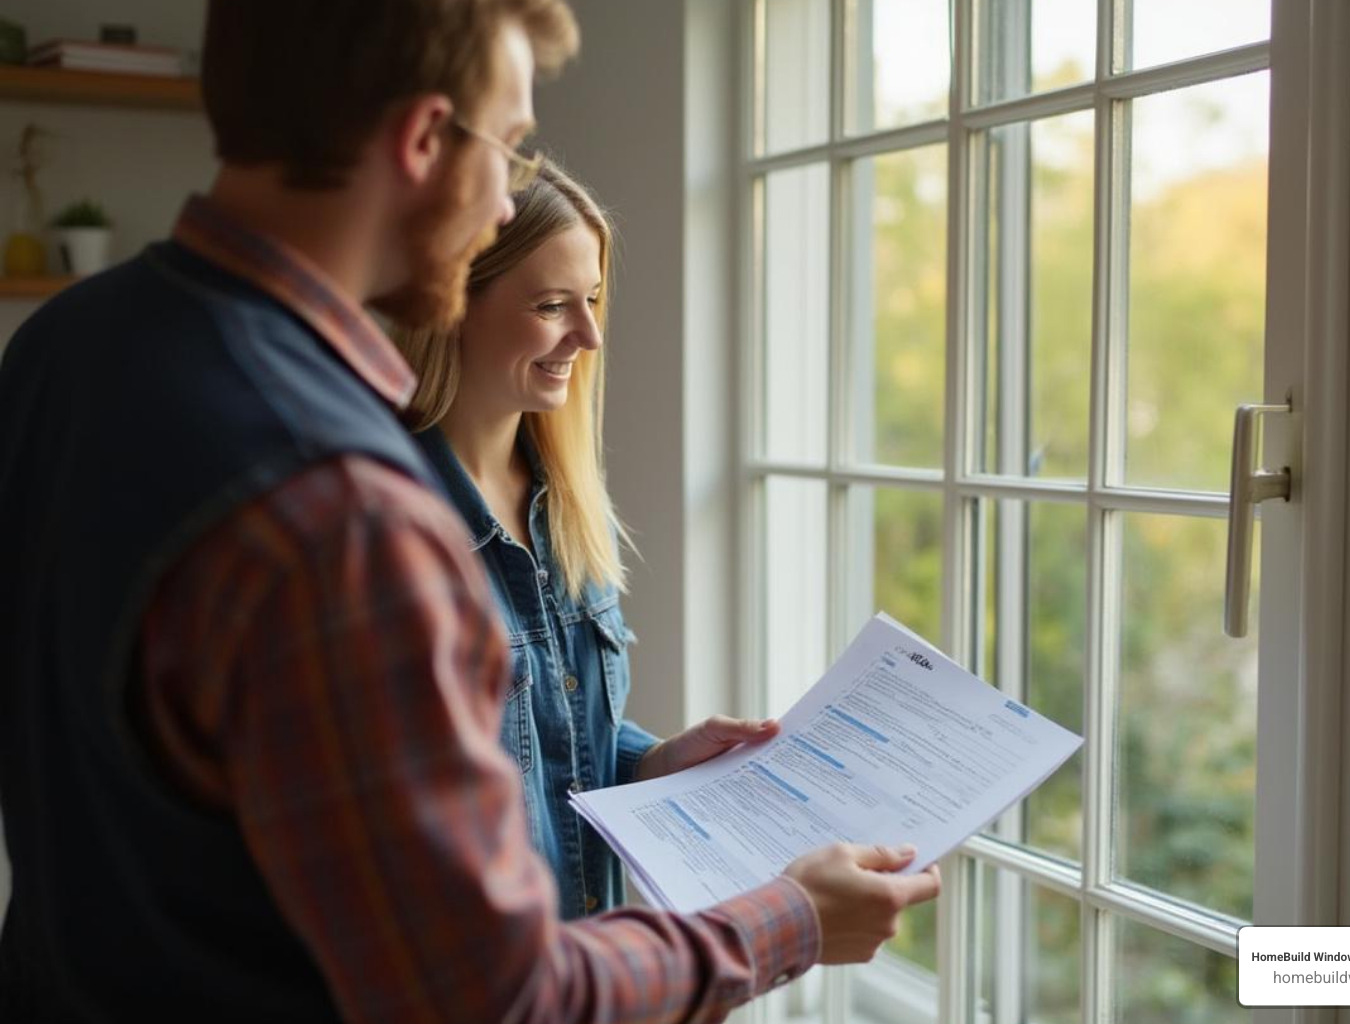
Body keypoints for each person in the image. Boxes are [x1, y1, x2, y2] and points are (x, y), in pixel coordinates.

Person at [0, 1, 940, 1021]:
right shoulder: (347, 508)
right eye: (511, 144)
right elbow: (502, 997)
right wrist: (789, 920)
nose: (504, 201)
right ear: (421, 141)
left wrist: (643, 761)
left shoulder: (62, 347)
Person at [395, 160, 777, 921]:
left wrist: (655, 762)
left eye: (594, 299)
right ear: (452, 304)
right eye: (552, 305)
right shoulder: (390, 524)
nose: (590, 335)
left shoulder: (565, 506)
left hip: (587, 968)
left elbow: (547, 743)